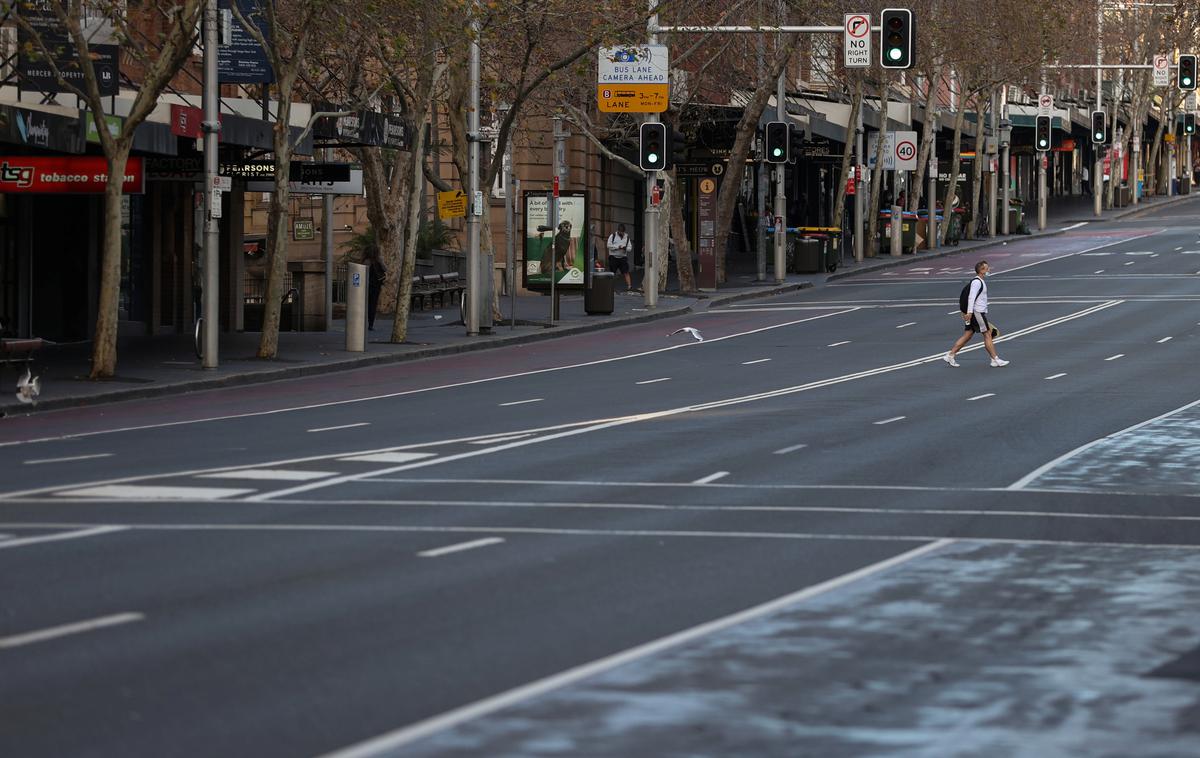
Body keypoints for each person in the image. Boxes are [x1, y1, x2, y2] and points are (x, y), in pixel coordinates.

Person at [944, 259, 1008, 368]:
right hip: (976, 312)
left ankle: (950, 355)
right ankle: (995, 359)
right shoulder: (977, 282)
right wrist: (969, 312)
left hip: (975, 312)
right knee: (987, 334)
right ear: (981, 270)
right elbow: (971, 297)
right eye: (987, 268)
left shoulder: (979, 281)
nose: (989, 270)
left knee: (968, 335)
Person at [363, 243, 386, 330]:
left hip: (366, 285)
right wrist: (381, 261)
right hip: (376, 286)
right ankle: (370, 324)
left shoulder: (366, 261)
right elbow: (385, 269)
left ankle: (364, 322)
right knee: (373, 305)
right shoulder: (378, 260)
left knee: (364, 304)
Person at [606, 223, 633, 289]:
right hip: (613, 257)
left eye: (622, 232)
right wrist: (617, 247)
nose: (621, 233)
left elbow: (630, 248)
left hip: (623, 257)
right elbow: (608, 245)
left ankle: (629, 286)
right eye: (620, 232)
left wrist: (625, 248)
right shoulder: (612, 236)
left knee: (626, 272)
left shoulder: (627, 237)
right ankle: (610, 286)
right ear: (618, 231)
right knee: (612, 273)